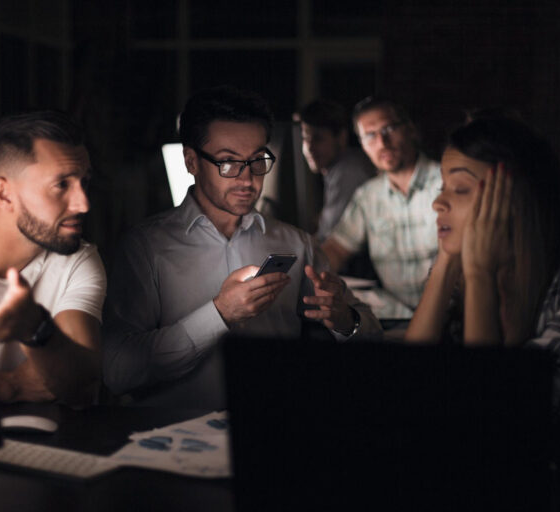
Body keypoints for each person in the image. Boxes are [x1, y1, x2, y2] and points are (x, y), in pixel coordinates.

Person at [103, 86, 381, 408]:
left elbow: (371, 335)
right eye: (228, 163)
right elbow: (117, 372)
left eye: (257, 160)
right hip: (171, 444)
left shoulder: (296, 243)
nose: (248, 179)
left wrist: (345, 319)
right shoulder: (145, 248)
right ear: (191, 161)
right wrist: (219, 314)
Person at [404, 117, 560, 423]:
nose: (437, 203)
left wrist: (480, 275)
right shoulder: (459, 271)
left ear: (514, 199)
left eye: (460, 189)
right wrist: (447, 263)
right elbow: (407, 382)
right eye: (442, 187)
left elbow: (497, 412)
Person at [0, 110, 106, 405]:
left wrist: (35, 328)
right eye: (62, 185)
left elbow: (82, 388)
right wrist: (11, 386)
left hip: (35, 445)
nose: (83, 204)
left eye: (84, 182)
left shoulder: (78, 259)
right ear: (4, 194)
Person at [322, 96, 441, 310]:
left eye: (388, 129)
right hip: (396, 316)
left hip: (447, 313)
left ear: (410, 129)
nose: (382, 143)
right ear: (361, 144)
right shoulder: (368, 195)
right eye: (370, 135)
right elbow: (337, 249)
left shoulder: (446, 182)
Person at [299, 99, 375, 241]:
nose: (309, 148)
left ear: (341, 137)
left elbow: (328, 238)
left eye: (318, 138)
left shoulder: (348, 171)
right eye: (305, 138)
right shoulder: (338, 168)